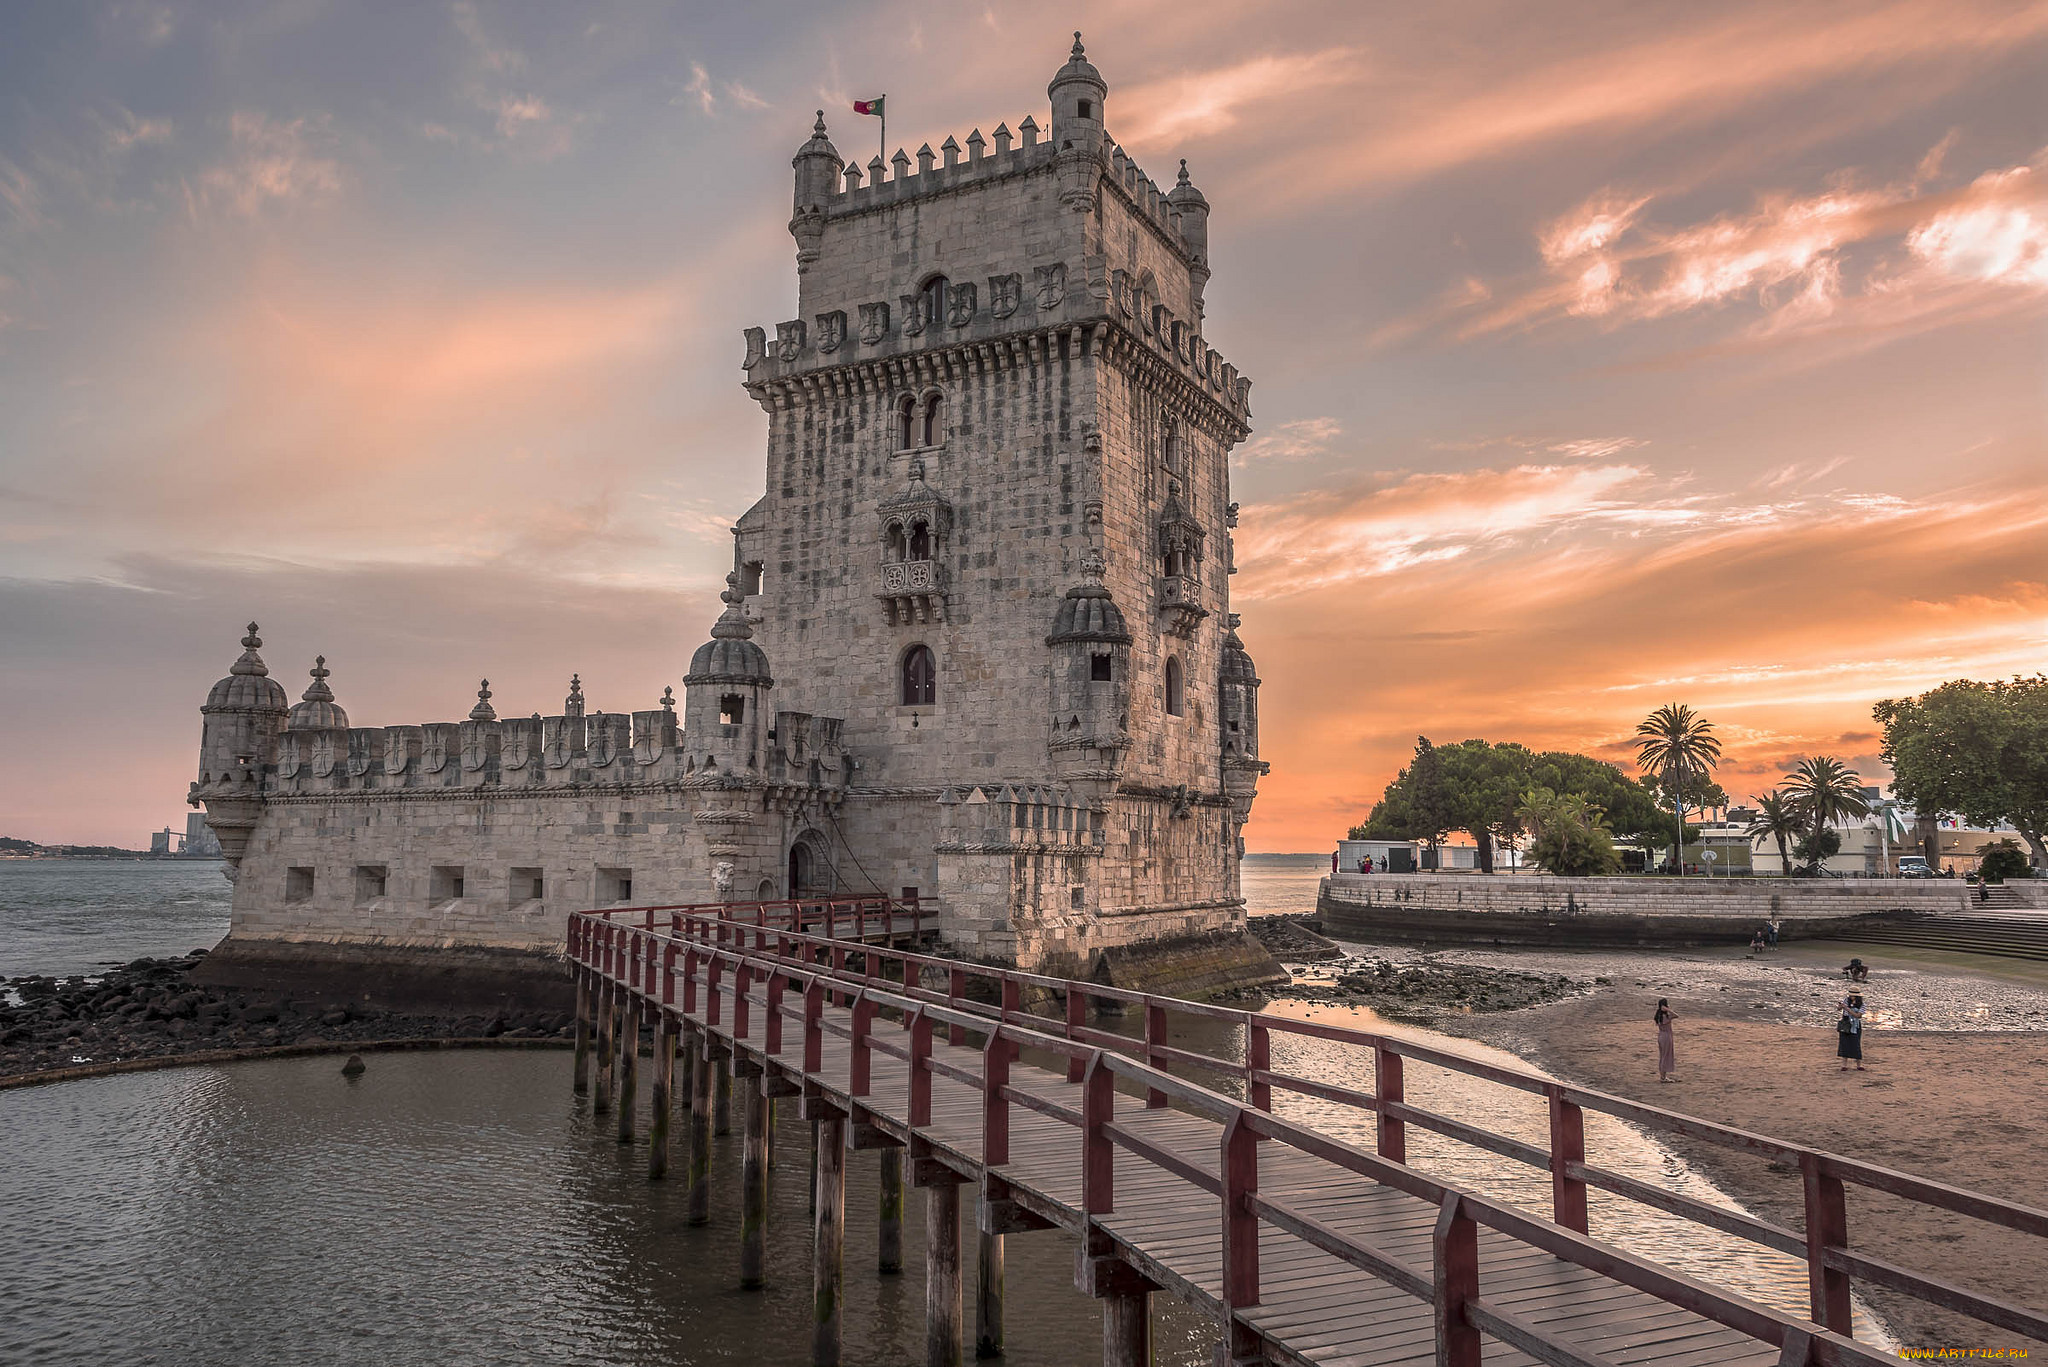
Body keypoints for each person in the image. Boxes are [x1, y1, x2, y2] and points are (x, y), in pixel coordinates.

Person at [1837, 992, 1867, 1071]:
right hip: (1846, 1024)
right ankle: (1844, 1065)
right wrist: (1840, 1006)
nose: (1850, 996)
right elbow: (1838, 1009)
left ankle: (1859, 1065)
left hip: (1855, 1025)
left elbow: (1858, 1016)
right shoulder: (1846, 1000)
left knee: (1856, 1044)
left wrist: (1847, 1008)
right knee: (1844, 1044)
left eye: (1852, 995)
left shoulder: (1862, 1005)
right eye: (1850, 995)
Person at [1654, 999, 1678, 1082]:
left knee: (1662, 1056)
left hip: (1661, 1036)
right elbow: (1676, 1015)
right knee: (1665, 1056)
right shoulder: (1666, 1016)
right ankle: (1663, 1077)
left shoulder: (1658, 1015)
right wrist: (1668, 1009)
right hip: (1667, 1037)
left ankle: (1663, 1076)